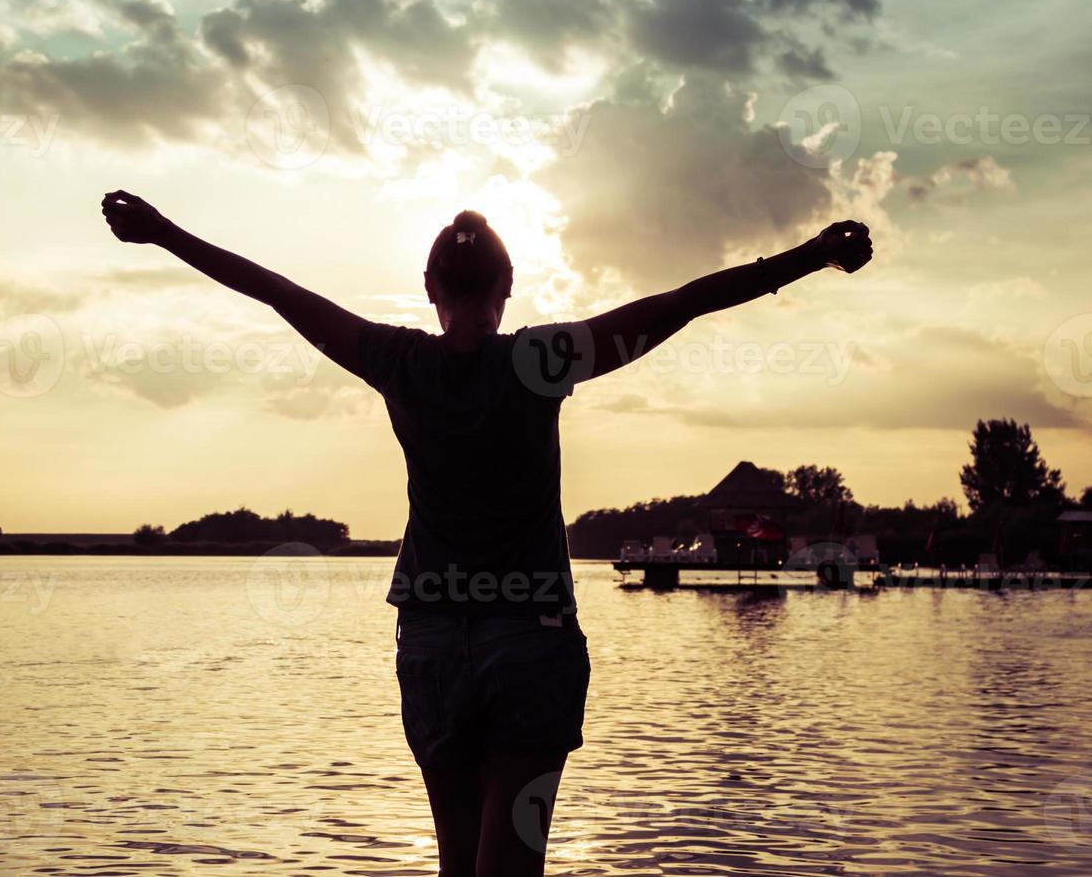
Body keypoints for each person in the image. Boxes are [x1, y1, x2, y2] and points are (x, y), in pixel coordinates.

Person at [100, 190, 873, 876]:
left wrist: (165, 232)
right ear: (506, 291)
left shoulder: (396, 360)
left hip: (434, 642)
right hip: (530, 642)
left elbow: (277, 292)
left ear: (430, 290)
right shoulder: (541, 359)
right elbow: (680, 303)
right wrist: (811, 256)